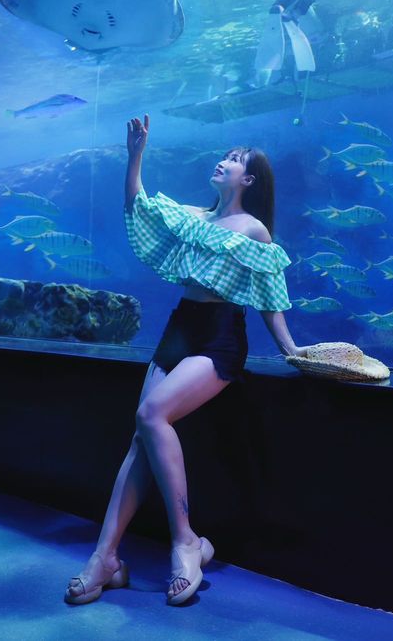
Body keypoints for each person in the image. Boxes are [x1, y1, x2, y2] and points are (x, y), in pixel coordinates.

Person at [64, 113, 311, 607]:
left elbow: (269, 295)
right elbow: (137, 204)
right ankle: (105, 557)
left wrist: (291, 349)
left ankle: (186, 542)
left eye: (235, 160)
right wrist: (135, 155)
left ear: (249, 179)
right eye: (226, 156)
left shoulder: (254, 229)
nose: (224, 161)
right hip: (180, 329)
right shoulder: (196, 217)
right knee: (141, 437)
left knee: (152, 414)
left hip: (219, 338)